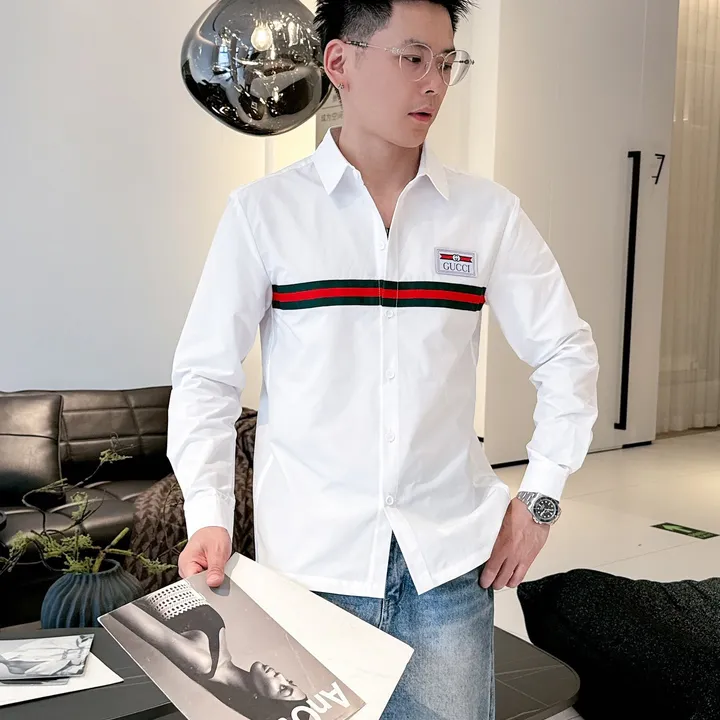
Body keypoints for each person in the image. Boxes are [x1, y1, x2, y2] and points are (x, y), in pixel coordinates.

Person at [167, 0, 599, 718]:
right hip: (312, 569)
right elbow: (205, 376)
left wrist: (542, 495)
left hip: (448, 569)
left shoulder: (487, 215)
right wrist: (207, 512)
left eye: (447, 62)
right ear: (340, 62)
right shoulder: (264, 213)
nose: (434, 82)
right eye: (412, 57)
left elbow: (565, 351)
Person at [113, 581, 307, 719]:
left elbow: (120, 608)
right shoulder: (222, 659)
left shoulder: (202, 662)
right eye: (290, 681)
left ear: (261, 701)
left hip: (143, 574)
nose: (281, 676)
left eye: (283, 688)